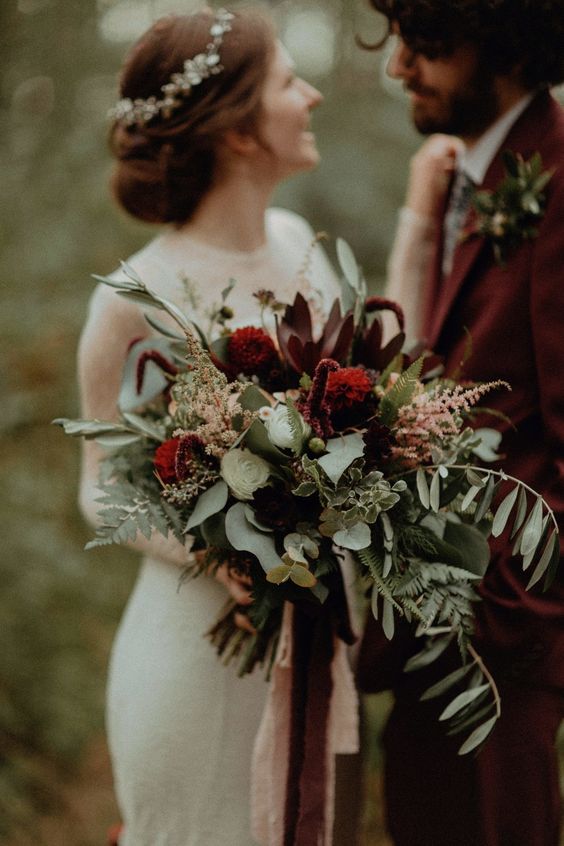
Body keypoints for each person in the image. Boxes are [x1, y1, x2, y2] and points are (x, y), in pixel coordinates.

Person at [77, 8, 351, 845]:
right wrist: (218, 549)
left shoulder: (302, 243)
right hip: (195, 651)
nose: (309, 95)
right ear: (237, 130)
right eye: (285, 83)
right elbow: (96, 496)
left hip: (309, 649)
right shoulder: (133, 298)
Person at [357, 2, 564, 845]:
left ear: (504, 39)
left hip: (511, 628)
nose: (399, 66)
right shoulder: (465, 176)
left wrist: (531, 602)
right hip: (425, 618)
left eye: (424, 43)